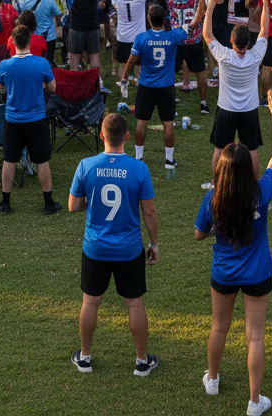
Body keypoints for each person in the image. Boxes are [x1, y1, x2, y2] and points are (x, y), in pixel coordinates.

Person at [195, 92, 272, 414]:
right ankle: (254, 402)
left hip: (223, 273)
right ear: (248, 169)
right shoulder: (261, 191)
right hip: (258, 273)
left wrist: (213, 228)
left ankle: (213, 379)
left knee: (219, 327)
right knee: (255, 337)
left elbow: (197, 235)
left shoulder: (213, 199)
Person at [68, 111, 159, 377]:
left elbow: (73, 205)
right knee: (134, 304)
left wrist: (91, 200)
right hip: (130, 249)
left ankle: (85, 358)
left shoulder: (86, 165)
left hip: (95, 247)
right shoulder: (139, 169)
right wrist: (154, 243)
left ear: (102, 135)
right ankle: (142, 361)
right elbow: (150, 213)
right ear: (127, 137)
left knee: (90, 302)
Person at [0, 25, 60, 215]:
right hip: (36, 119)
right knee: (42, 161)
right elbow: (53, 88)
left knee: (9, 160)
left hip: (13, 119)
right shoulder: (42, 63)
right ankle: (48, 203)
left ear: (13, 42)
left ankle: (5, 203)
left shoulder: (4, 65)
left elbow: (0, 87)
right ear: (30, 41)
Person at [204, 0, 270, 178]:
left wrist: (210, 6)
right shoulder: (256, 55)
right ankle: (255, 188)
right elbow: (264, 31)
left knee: (220, 148)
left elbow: (207, 34)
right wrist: (265, 5)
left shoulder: (224, 56)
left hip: (226, 109)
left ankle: (217, 186)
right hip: (249, 110)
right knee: (251, 150)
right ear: (249, 42)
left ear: (231, 40)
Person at [122, 1, 190, 169]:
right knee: (168, 122)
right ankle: (169, 160)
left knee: (142, 121)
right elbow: (187, 29)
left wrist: (124, 76)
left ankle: (138, 158)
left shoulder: (142, 38)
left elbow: (131, 60)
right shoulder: (173, 36)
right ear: (164, 19)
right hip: (166, 87)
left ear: (149, 19)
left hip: (146, 86)